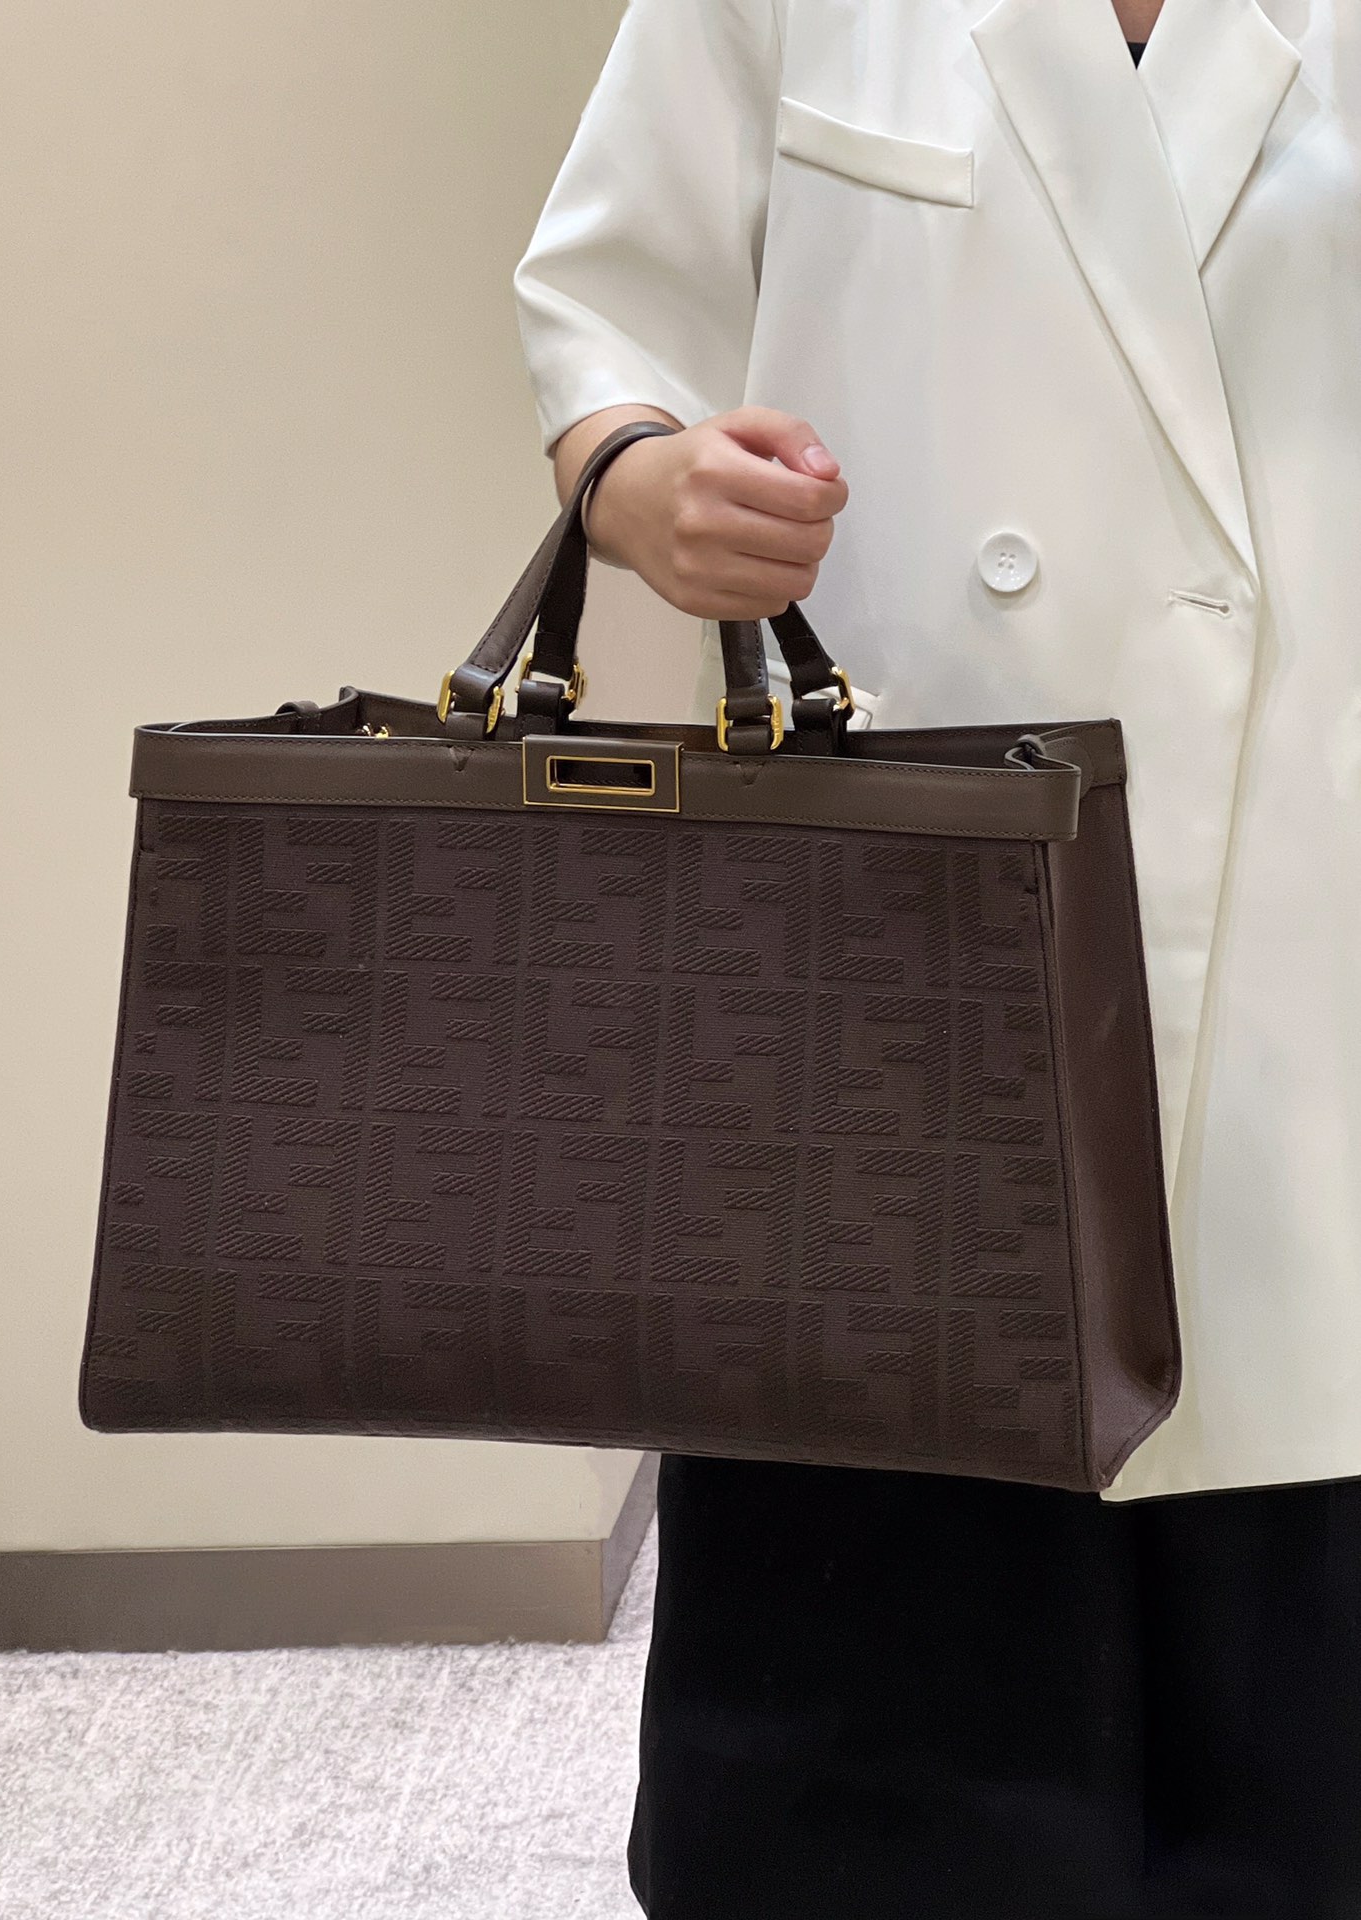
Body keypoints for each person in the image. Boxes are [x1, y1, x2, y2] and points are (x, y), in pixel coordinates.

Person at [510, 0, 1361, 1913]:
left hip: (1311, 938)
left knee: (1297, 1759)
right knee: (887, 1782)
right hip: (905, 970)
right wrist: (644, 484)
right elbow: (606, 302)